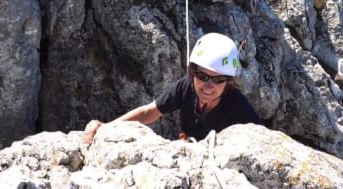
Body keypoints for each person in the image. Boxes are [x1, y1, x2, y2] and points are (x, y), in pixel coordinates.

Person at [84, 33, 261, 144]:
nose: (209, 86)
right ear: (192, 74)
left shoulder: (237, 106)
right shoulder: (186, 87)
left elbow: (263, 140)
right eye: (202, 76)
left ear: (228, 81)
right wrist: (106, 128)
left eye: (218, 80)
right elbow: (149, 112)